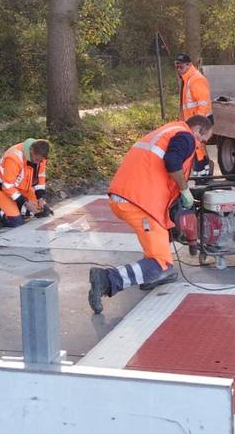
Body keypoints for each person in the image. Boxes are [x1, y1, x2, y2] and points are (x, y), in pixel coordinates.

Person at [88, 115, 214, 313]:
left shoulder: (168, 130)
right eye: (203, 140)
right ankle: (107, 279)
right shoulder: (186, 136)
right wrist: (184, 190)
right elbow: (172, 161)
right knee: (161, 263)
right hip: (140, 203)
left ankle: (151, 276)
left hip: (128, 196)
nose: (201, 145)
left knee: (160, 245)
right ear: (198, 130)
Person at [0, 139, 51, 227]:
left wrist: (40, 197)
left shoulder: (40, 156)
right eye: (37, 159)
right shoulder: (14, 158)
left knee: (44, 211)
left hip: (21, 188)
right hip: (1, 189)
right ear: (31, 150)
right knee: (15, 222)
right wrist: (25, 202)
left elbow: (40, 177)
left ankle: (18, 206)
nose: (38, 162)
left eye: (40, 160)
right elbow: (7, 186)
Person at [175, 54, 212, 122]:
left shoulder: (196, 79)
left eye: (181, 67)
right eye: (177, 67)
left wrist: (198, 123)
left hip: (202, 122)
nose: (178, 69)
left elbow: (203, 103)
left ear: (189, 65)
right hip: (193, 121)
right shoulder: (186, 79)